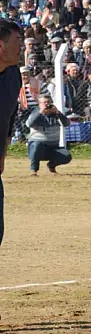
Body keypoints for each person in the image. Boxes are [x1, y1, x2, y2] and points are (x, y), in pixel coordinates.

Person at [0, 20, 22, 248]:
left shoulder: (13, 75)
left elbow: (10, 116)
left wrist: (3, 154)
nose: (22, 47)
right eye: (17, 41)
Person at [26, 94, 71, 175]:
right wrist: (40, 113)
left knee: (66, 156)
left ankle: (51, 165)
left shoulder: (56, 115)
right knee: (37, 145)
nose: (46, 105)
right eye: (44, 103)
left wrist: (58, 113)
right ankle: (34, 170)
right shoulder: (35, 113)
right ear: (39, 104)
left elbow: (67, 124)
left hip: (53, 147)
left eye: (48, 102)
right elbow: (29, 123)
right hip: (37, 147)